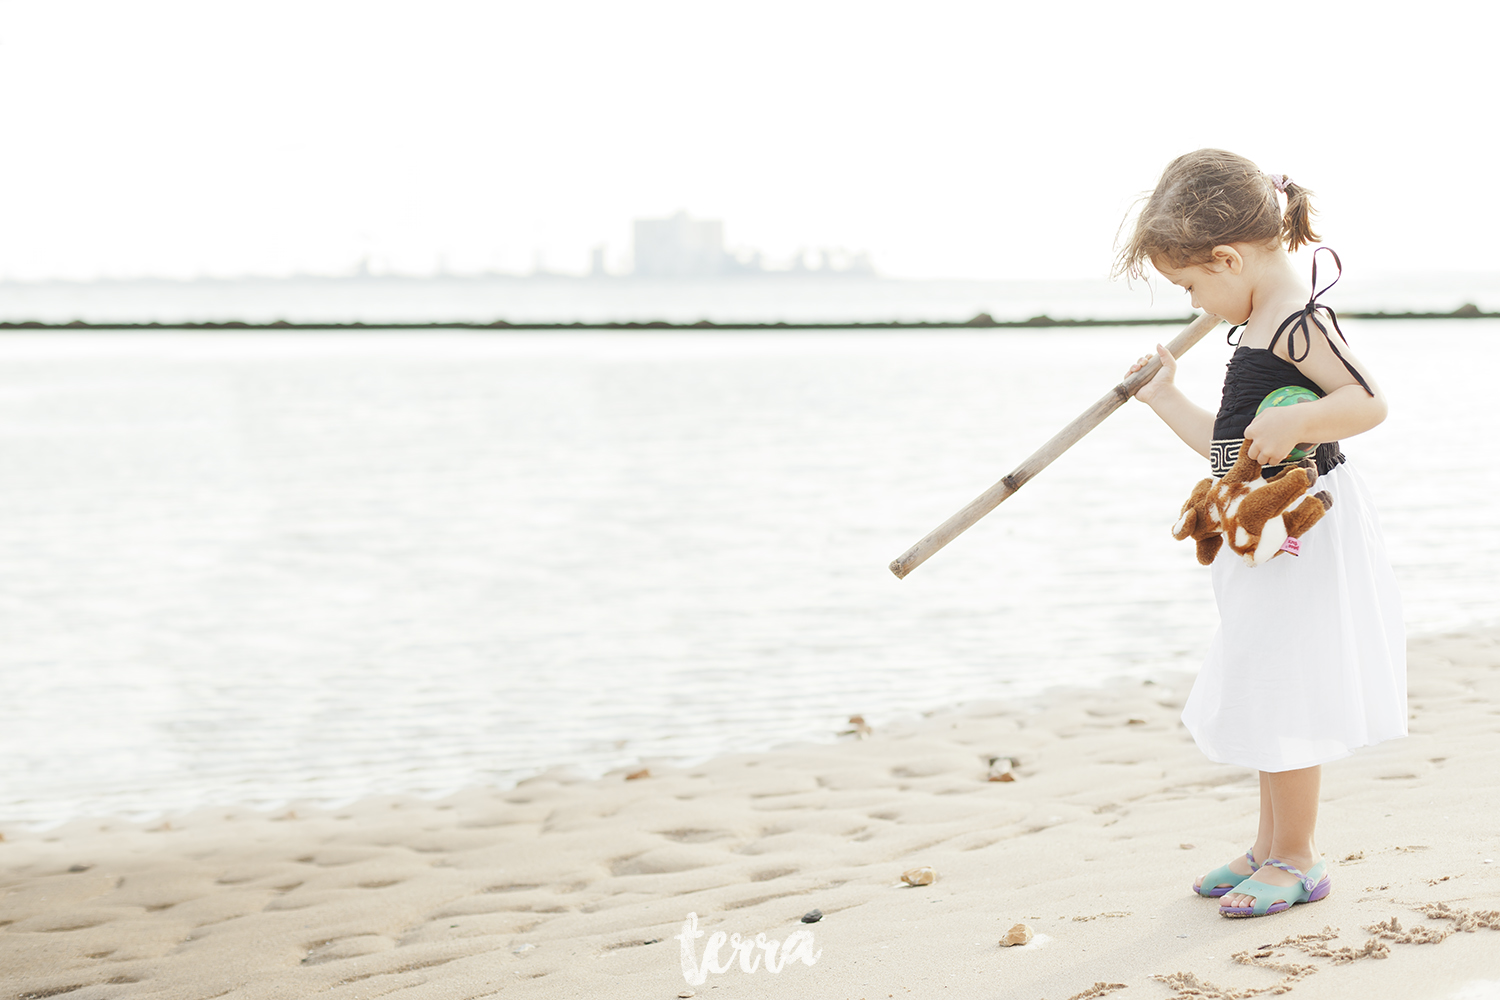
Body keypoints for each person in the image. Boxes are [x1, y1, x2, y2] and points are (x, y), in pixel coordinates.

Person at [1119, 149, 1407, 918]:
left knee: (1287, 688)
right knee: (1262, 678)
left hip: (1307, 531)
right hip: (1266, 533)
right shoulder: (1252, 329)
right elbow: (1229, 450)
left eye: (1191, 287)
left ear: (1227, 257)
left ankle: (1299, 857)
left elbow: (1369, 402)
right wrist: (1163, 399)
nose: (1194, 303)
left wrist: (1303, 419)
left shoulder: (1298, 322)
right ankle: (1267, 845)